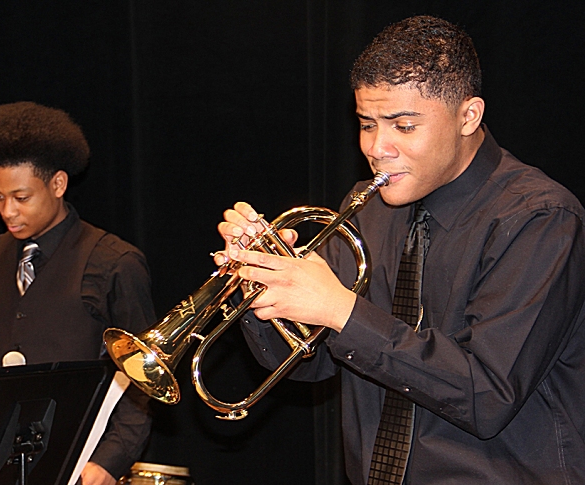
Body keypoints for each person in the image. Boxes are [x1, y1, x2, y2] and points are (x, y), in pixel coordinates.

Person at [217, 16, 585, 484]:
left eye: (404, 126)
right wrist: (264, 285)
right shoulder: (368, 208)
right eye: (367, 124)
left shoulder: (538, 217)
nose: (377, 147)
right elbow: (310, 366)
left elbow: (486, 395)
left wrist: (342, 309)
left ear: (468, 117)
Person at [0, 101, 155, 485]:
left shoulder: (114, 262)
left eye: (21, 198)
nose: (8, 211)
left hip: (82, 461)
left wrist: (109, 460)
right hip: (4, 463)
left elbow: (144, 376)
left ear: (58, 184)